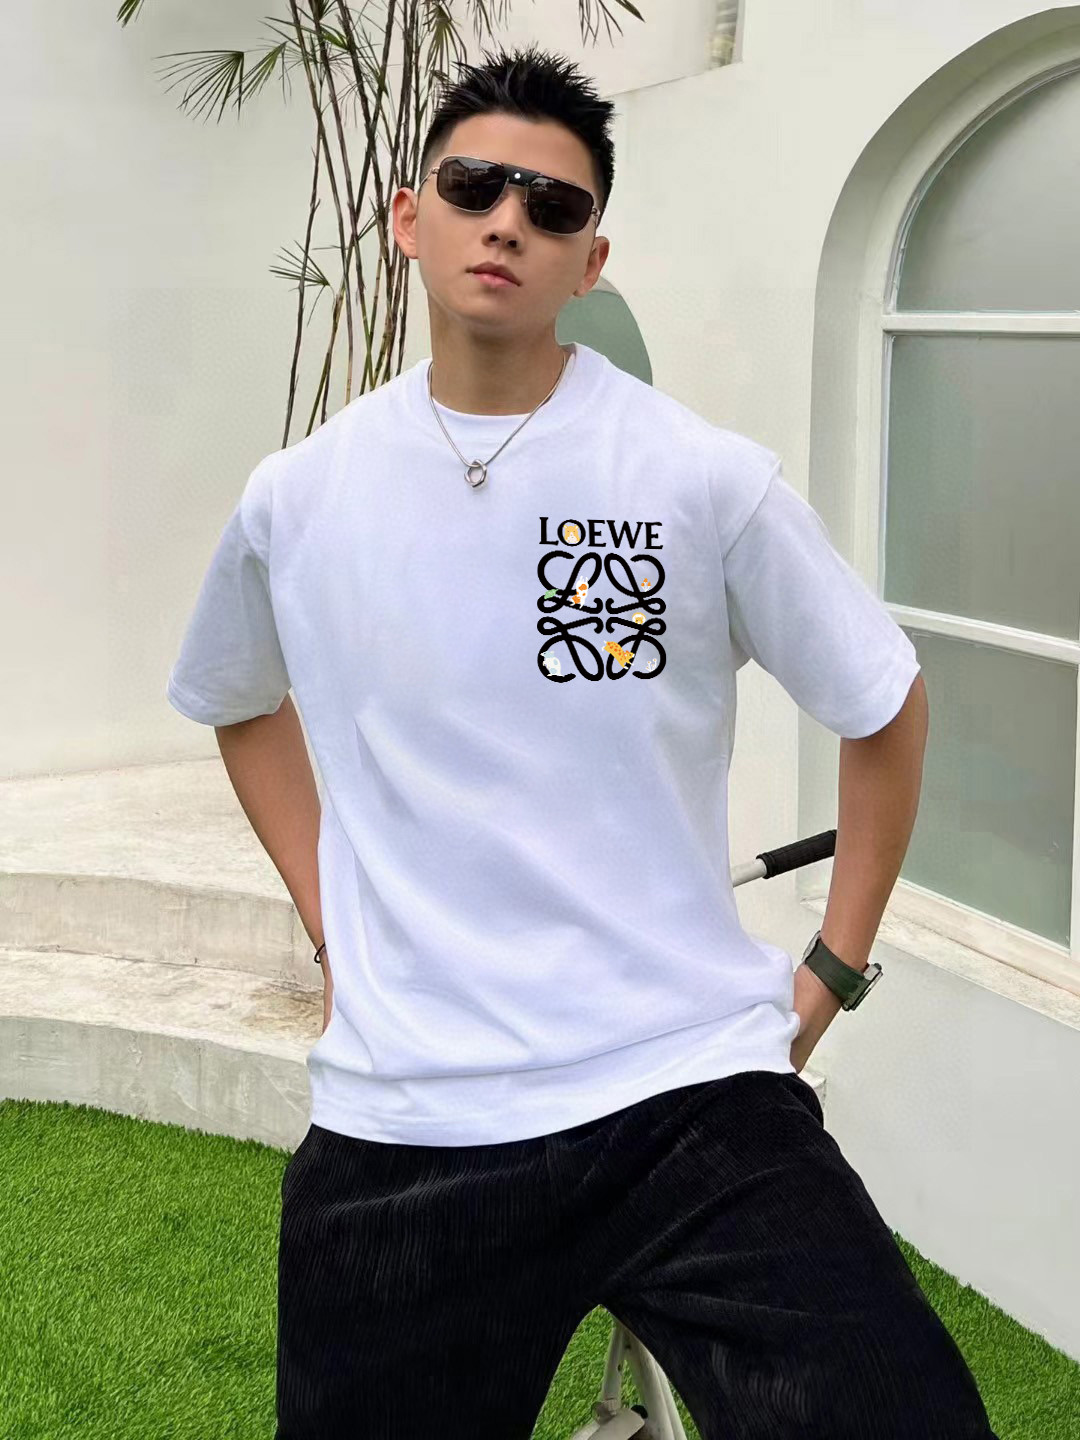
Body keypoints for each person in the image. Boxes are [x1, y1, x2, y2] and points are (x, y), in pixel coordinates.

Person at [166, 40, 1000, 1440]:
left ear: (590, 259)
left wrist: (831, 969)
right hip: (410, 1113)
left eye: (551, 206)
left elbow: (885, 703)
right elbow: (239, 702)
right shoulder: (296, 499)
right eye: (474, 186)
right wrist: (329, 924)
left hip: (689, 1092)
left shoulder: (699, 478)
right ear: (408, 216)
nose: (508, 221)